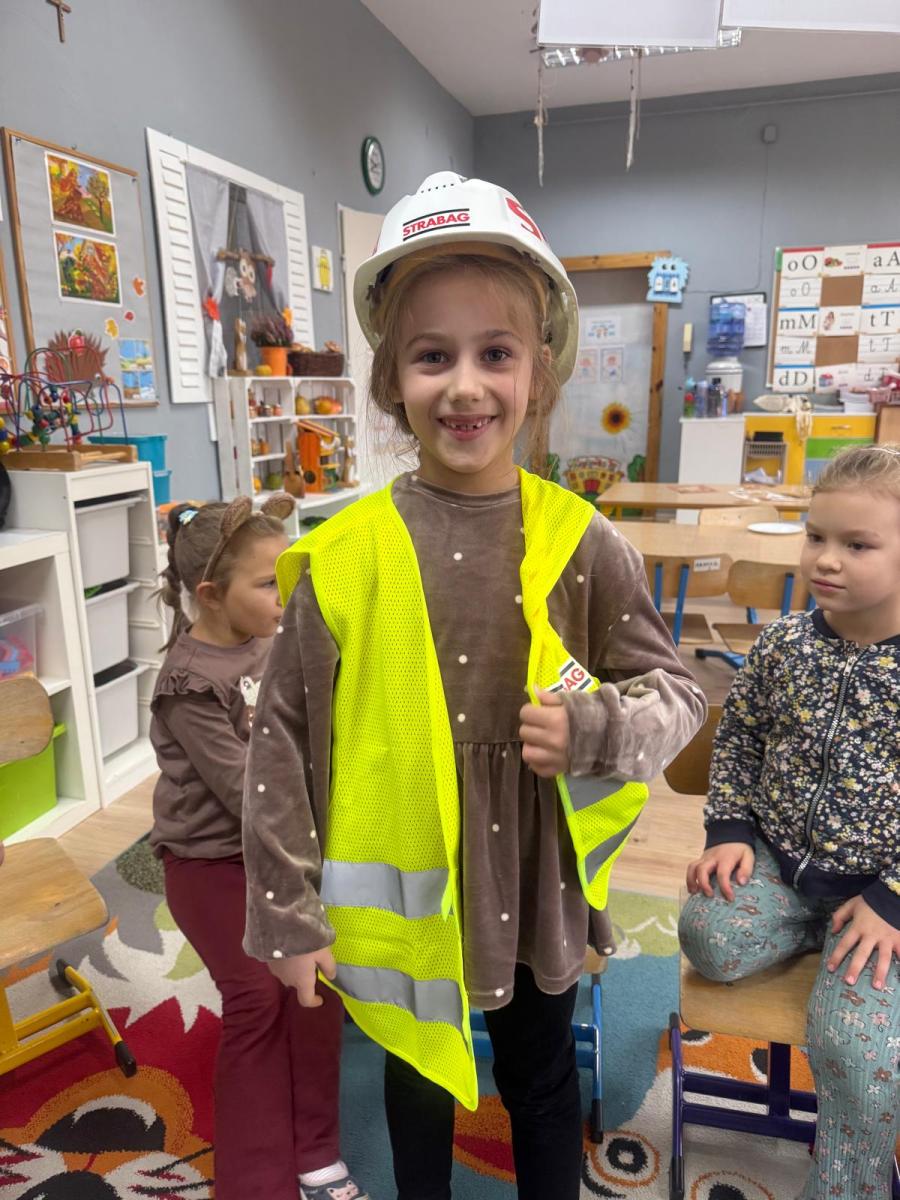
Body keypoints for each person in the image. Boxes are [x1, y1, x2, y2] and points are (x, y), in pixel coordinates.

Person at [241, 172, 706, 1200]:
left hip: (533, 883)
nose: (465, 386)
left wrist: (596, 729)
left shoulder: (583, 542)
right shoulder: (344, 556)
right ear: (389, 380)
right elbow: (281, 739)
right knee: (415, 1083)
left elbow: (678, 696)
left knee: (539, 1081)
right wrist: (284, 912)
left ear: (539, 374)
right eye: (432, 356)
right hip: (405, 903)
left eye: (495, 353)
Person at [680, 444, 900, 1200]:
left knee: (853, 1048)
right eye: (816, 537)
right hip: (779, 869)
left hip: (877, 901)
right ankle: (806, 934)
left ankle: (848, 1188)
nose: (825, 560)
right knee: (707, 934)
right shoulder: (784, 645)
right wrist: (729, 831)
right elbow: (740, 739)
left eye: (858, 545)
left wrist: (891, 899)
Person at [149, 494, 368, 1200]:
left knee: (317, 986)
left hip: (281, 849)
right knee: (256, 1001)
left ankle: (316, 1151)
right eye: (271, 582)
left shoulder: (274, 641)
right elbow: (250, 793)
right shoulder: (188, 683)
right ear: (212, 594)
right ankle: (253, 1182)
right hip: (209, 864)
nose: (288, 595)